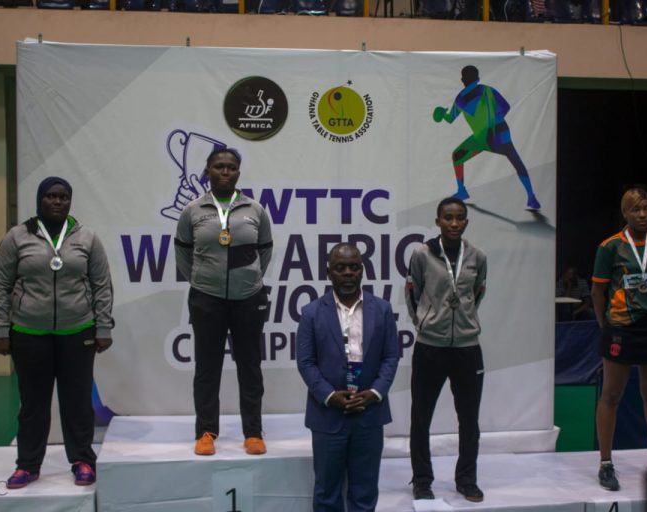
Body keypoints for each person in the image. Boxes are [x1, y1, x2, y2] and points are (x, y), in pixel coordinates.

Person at [0, 176, 114, 489]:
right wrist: (1, 330)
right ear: (39, 200)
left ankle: (82, 460)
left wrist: (102, 326)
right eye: (50, 196)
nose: (57, 202)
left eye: (63, 197)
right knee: (33, 404)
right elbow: (0, 285)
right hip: (28, 332)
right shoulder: (17, 237)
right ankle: (27, 465)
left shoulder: (86, 237)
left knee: (77, 402)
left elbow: (101, 285)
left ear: (70, 201)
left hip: (78, 331)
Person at [175, 148, 273, 457]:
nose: (225, 172)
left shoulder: (255, 210)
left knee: (250, 367)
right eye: (219, 166)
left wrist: (249, 279)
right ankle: (206, 432)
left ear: (238, 173)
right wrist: (202, 280)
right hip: (207, 299)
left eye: (231, 167)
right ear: (208, 171)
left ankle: (253, 432)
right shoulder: (193, 210)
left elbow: (265, 250)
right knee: (207, 368)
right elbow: (183, 253)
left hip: (248, 299)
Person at [296, 243, 400, 512]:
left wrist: (375, 392)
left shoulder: (382, 309)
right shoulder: (311, 313)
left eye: (353, 267)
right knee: (327, 494)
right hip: (327, 415)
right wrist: (330, 396)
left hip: (370, 412)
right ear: (329, 272)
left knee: (364, 493)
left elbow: (391, 357)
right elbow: (306, 363)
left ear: (362, 270)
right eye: (340, 267)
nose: (347, 273)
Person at [406, 196, 487, 502]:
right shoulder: (422, 254)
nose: (454, 223)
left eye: (459, 217)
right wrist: (426, 323)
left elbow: (477, 293)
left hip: (467, 348)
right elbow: (412, 293)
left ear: (466, 221)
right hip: (430, 347)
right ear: (437, 221)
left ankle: (466, 479)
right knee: (420, 418)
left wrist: (464, 322)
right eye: (448, 217)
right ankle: (422, 480)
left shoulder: (477, 256)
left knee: (469, 419)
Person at [591, 187, 647, 491]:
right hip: (620, 329)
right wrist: (606, 326)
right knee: (611, 395)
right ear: (624, 213)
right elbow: (598, 292)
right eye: (636, 209)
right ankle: (605, 464)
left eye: (646, 209)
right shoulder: (609, 247)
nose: (642, 215)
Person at [432, 65, 541, 210]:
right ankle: (531, 197)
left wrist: (441, 113)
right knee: (516, 161)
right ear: (477, 78)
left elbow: (450, 118)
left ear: (463, 80)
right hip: (499, 134)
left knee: (457, 156)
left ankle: (462, 191)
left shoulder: (460, 98)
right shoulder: (488, 90)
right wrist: (494, 119)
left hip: (481, 138)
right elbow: (506, 107)